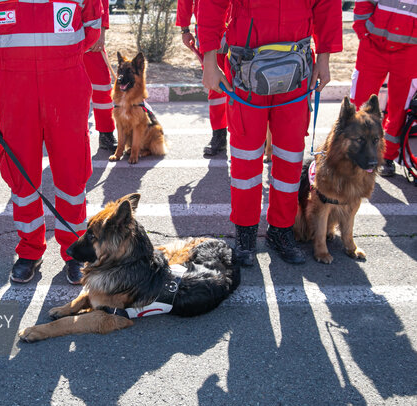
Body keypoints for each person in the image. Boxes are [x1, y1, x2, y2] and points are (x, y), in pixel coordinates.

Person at [0, 0, 102, 284]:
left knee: (72, 173)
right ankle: (30, 250)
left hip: (66, 82)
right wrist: (9, 64)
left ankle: (74, 250)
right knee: (21, 176)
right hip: (13, 86)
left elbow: (92, 30)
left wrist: (58, 59)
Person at [198, 0, 342, 265]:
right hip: (245, 71)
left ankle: (281, 230)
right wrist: (209, 59)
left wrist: (324, 58)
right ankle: (245, 233)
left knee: (289, 157)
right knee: (245, 156)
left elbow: (327, 5)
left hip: (295, 72)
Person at [350, 0, 417, 177]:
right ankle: (354, 153)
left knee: (400, 108)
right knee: (360, 102)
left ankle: (387, 156)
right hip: (372, 46)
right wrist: (362, 31)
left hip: (410, 51)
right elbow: (364, 2)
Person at [176, 0, 228, 156]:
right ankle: (219, 135)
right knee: (216, 87)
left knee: (249, 84)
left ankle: (260, 138)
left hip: (243, 25)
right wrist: (184, 29)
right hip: (210, 28)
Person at [84, 0, 118, 152]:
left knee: (103, 87)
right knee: (65, 92)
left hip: (91, 40)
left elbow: (102, 4)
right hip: (63, 39)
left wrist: (101, 34)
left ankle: (106, 134)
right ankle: (67, 136)